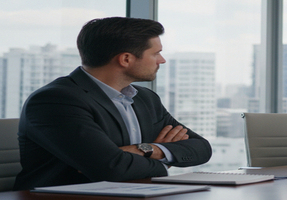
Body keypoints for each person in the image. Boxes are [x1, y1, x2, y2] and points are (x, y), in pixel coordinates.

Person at [14, 17, 212, 190]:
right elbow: (111, 169)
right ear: (125, 59)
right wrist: (165, 160)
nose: (162, 60)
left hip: (135, 194)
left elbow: (201, 148)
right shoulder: (56, 101)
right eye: (155, 53)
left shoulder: (145, 98)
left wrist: (149, 149)